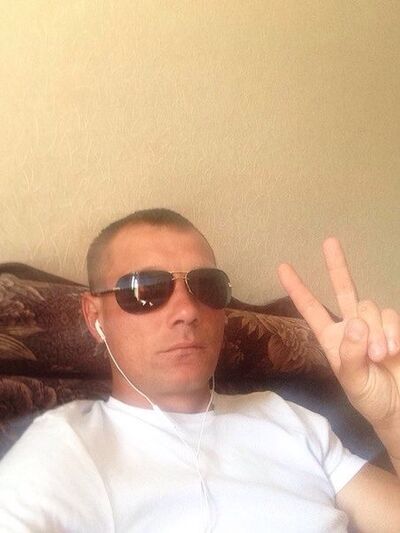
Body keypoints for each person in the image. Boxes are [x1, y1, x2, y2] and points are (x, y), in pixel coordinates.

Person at [0, 207, 399, 532]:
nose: (187, 311)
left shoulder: (287, 418)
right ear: (94, 316)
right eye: (145, 290)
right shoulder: (69, 446)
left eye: (206, 286)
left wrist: (393, 417)